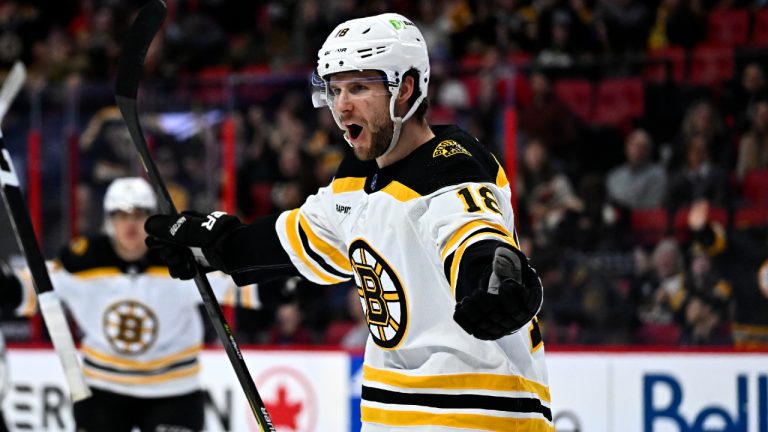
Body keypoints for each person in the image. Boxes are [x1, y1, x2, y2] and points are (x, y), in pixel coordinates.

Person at [145, 12, 552, 431]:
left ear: (405, 89)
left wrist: (495, 280)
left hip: (478, 414)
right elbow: (293, 242)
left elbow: (474, 238)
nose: (341, 105)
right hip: (392, 414)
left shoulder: (452, 167)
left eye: (359, 87)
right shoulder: (355, 183)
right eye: (335, 89)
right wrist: (210, 245)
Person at [1, 177, 260, 432]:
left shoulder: (178, 260)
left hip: (174, 391)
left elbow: (237, 285)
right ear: (109, 219)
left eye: (138, 214)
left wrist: (282, 283)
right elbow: (33, 290)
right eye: (121, 215)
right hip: (104, 391)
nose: (130, 224)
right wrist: (6, 287)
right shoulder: (81, 262)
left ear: (150, 217)